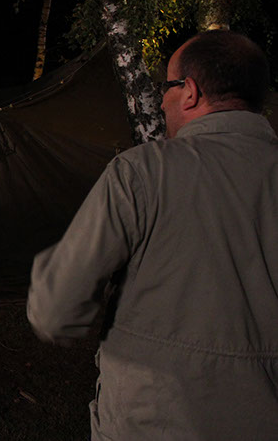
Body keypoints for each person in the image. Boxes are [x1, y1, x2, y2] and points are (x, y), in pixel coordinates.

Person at [27, 30, 278, 440]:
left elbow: (56, 311)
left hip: (152, 422)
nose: (161, 101)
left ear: (190, 92)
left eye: (167, 87)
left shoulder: (142, 172)